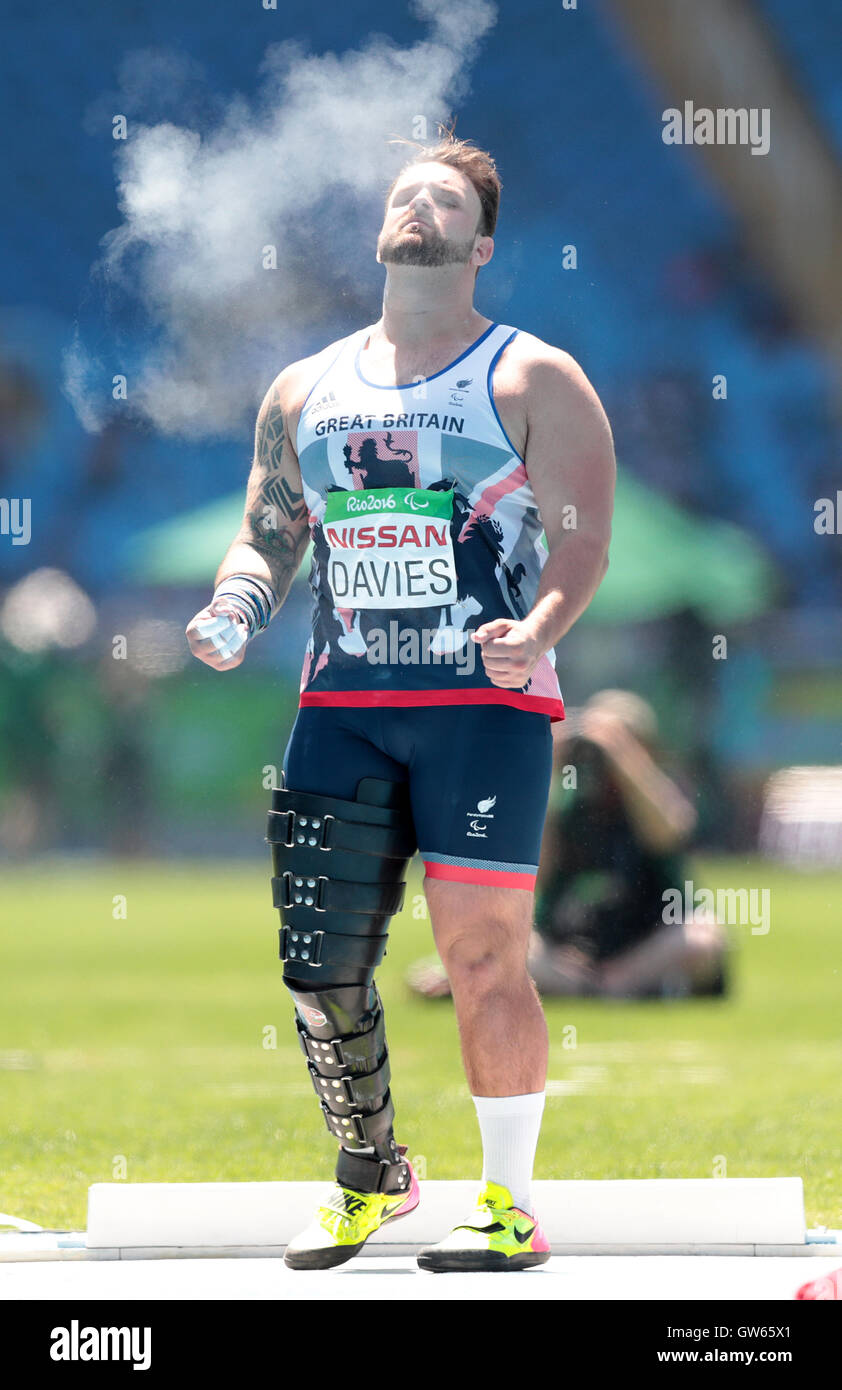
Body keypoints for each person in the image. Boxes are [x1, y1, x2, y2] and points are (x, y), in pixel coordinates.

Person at [185, 126, 615, 1272]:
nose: (416, 209)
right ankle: (372, 1172)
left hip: (484, 710)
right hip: (342, 706)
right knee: (318, 962)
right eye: (404, 194)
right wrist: (234, 606)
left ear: (480, 245)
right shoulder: (303, 387)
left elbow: (582, 544)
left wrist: (537, 630)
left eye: (442, 202)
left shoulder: (530, 377)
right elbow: (267, 534)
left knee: (481, 956)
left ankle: (508, 1207)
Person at [408, 689, 728, 1000]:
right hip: (569, 954)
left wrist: (621, 753)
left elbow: (670, 831)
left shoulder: (658, 793)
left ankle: (611, 983)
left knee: (703, 938)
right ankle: (592, 986)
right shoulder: (569, 801)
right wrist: (547, 763)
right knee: (506, 939)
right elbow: (536, 869)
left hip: (648, 943)